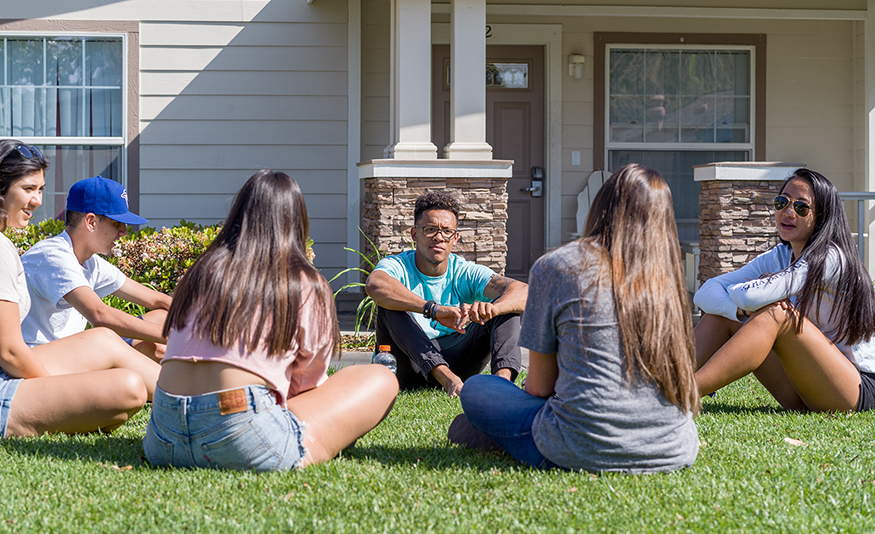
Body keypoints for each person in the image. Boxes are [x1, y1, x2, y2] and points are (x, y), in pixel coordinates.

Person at [0, 139, 159, 437]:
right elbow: (9, 351)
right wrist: (54, 392)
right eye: (28, 189)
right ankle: (195, 404)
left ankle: (194, 399)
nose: (37, 200)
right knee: (129, 388)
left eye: (41, 189)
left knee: (103, 341)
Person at [143, 170, 398, 471]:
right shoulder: (302, 283)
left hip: (163, 436)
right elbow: (306, 383)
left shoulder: (199, 273)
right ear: (296, 221)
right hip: (240, 432)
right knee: (380, 378)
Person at [454, 165, 700, 473]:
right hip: (673, 450)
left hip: (579, 446)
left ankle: (491, 434)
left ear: (600, 208)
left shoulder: (557, 267)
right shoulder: (670, 278)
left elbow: (540, 389)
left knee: (479, 388)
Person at [693, 168, 875, 412]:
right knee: (721, 316)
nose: (788, 212)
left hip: (853, 388)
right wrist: (738, 311)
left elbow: (748, 296)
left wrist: (741, 301)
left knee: (777, 315)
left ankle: (684, 394)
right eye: (782, 202)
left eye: (801, 207)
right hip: (804, 386)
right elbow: (706, 292)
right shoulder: (780, 255)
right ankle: (659, 387)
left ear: (821, 217)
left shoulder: (831, 258)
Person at [365, 191, 527, 397]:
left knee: (507, 308)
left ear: (455, 237)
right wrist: (433, 310)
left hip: (458, 359)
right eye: (430, 229)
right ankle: (448, 380)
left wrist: (490, 309)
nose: (439, 237)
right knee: (390, 307)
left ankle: (501, 384)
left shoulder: (464, 270)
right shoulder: (397, 265)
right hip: (408, 364)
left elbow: (524, 292)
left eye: (446, 231)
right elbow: (376, 285)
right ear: (414, 234)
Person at [20, 176, 171, 361]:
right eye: (116, 223)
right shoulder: (53, 256)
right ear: (91, 222)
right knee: (154, 348)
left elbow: (157, 299)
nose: (123, 231)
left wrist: (207, 323)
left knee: (163, 317)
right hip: (41, 360)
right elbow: (100, 315)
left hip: (71, 352)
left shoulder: (90, 262)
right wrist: (180, 339)